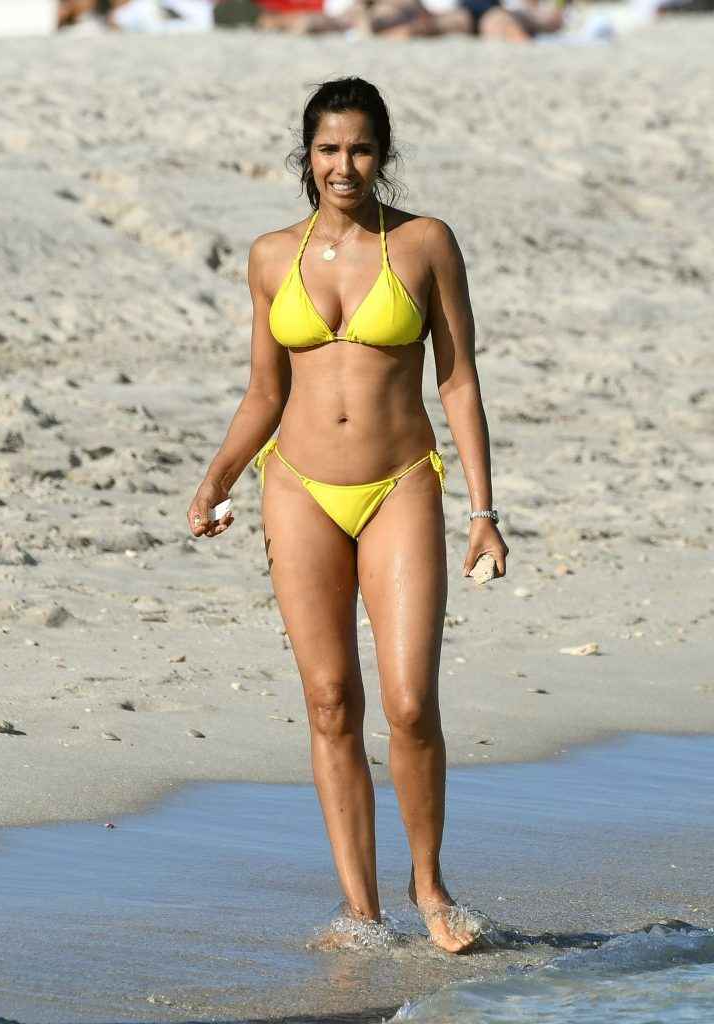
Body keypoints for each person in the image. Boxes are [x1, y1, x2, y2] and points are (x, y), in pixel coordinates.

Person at [188, 77, 508, 954]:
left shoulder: (425, 243)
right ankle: (361, 911)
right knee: (330, 700)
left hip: (400, 482)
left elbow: (458, 381)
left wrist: (484, 509)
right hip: (297, 486)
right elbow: (264, 391)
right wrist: (217, 478)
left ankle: (429, 885)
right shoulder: (270, 256)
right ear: (307, 155)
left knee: (408, 702)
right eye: (329, 148)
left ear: (382, 154)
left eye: (361, 148)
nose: (344, 165)